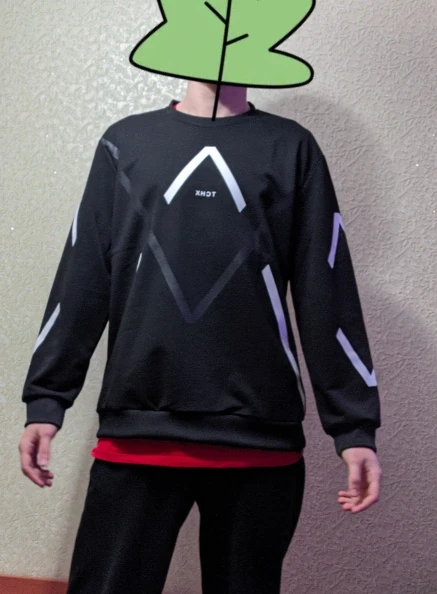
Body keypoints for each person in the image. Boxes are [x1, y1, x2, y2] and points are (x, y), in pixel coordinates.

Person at [19, 81, 382, 594]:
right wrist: (46, 398)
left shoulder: (292, 148)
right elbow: (84, 275)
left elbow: (327, 287)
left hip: (259, 440)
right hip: (138, 432)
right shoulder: (126, 142)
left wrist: (354, 428)